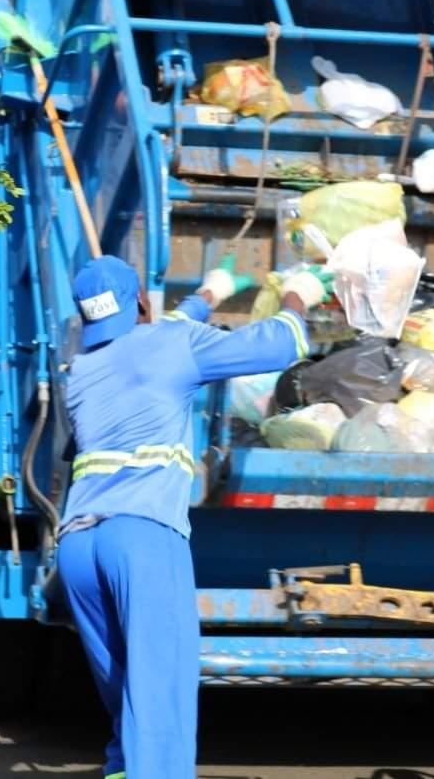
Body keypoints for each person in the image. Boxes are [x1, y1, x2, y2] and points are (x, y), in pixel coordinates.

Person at [58, 255, 327, 779]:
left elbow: (164, 333)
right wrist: (299, 294)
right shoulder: (172, 344)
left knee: (128, 703)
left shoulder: (80, 369)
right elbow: (283, 342)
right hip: (142, 540)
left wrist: (210, 292)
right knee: (161, 704)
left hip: (79, 549)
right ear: (141, 300)